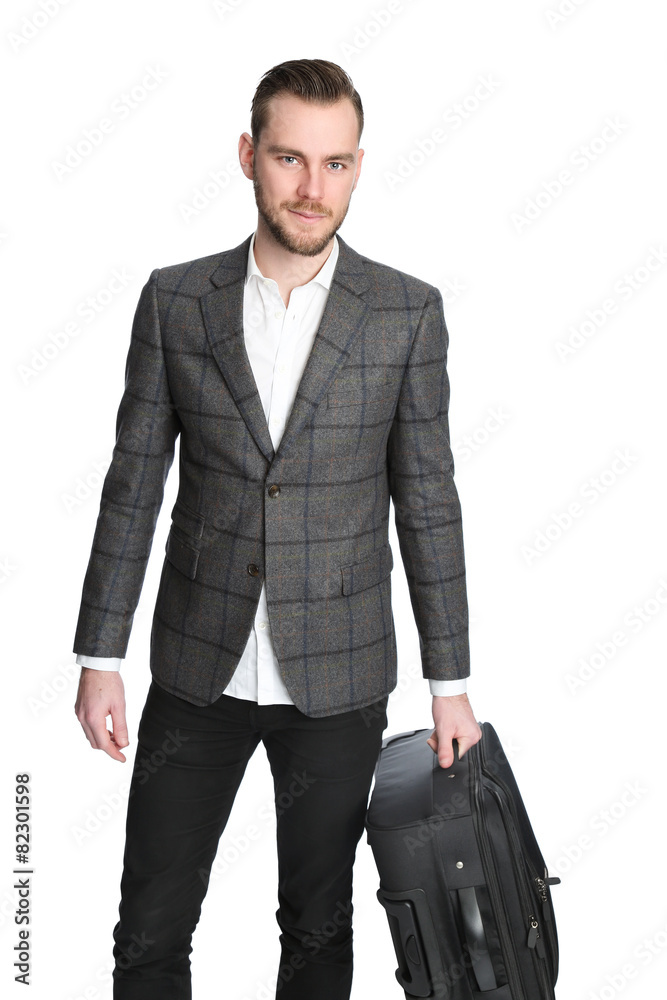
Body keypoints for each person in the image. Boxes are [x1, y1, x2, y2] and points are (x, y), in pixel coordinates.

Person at [72, 57, 482, 1000]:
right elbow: (132, 483)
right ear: (249, 156)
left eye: (335, 164)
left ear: (358, 166)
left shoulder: (405, 312)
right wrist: (101, 655)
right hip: (194, 671)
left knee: (317, 927)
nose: (312, 188)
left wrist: (449, 685)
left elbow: (428, 499)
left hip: (338, 674)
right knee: (148, 930)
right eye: (291, 159)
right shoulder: (177, 301)